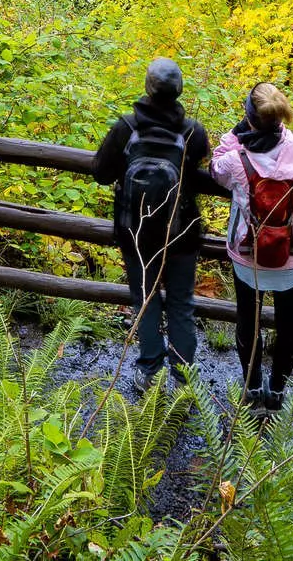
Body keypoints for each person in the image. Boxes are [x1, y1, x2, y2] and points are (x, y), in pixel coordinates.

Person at [211, 82, 293, 412]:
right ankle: (277, 393)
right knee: (289, 324)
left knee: (248, 321)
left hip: (248, 256)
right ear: (280, 118)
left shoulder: (236, 160)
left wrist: (233, 139)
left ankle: (251, 391)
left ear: (249, 118)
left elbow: (215, 168)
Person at [94, 57, 216, 385]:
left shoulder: (126, 127)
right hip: (182, 231)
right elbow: (199, 166)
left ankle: (149, 371)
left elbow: (100, 172)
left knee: (145, 301)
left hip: (135, 232)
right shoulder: (193, 131)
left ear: (148, 86)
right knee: (180, 304)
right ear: (179, 91)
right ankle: (184, 378)